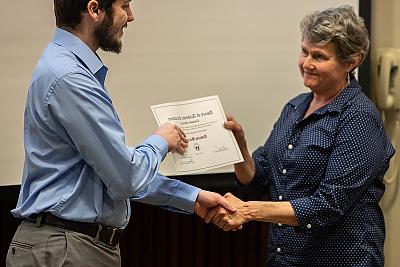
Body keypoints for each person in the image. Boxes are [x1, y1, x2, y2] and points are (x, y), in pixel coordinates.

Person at [6, 0, 235, 266]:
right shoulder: (70, 77)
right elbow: (126, 177)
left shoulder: (65, 68)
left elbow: (112, 174)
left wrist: (191, 197)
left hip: (67, 245)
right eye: (124, 5)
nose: (131, 16)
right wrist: (161, 141)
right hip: (66, 248)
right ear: (94, 10)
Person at [204, 5, 395, 267]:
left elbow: (328, 204)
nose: (307, 63)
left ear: (351, 62)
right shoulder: (295, 107)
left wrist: (247, 211)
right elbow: (259, 177)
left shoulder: (359, 117)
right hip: (285, 258)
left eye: (319, 56)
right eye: (304, 51)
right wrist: (238, 148)